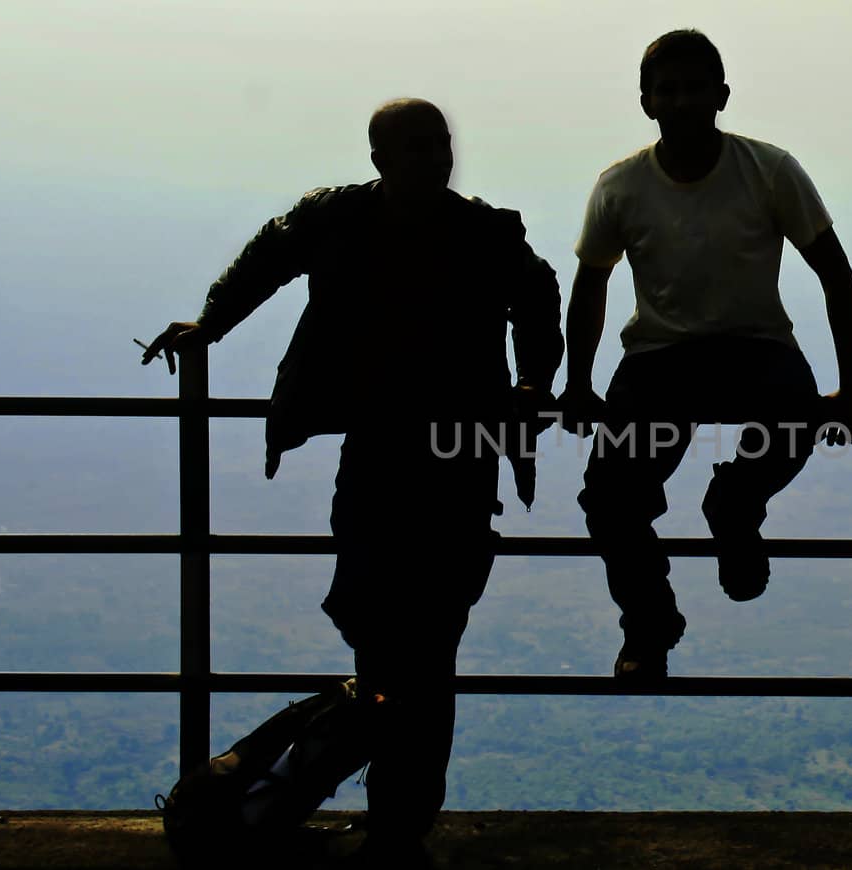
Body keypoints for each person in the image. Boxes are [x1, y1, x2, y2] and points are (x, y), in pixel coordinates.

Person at [140, 98, 562, 863]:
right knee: (384, 637)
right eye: (412, 147)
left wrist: (534, 381)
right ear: (379, 159)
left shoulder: (482, 231)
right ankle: (388, 821)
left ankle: (393, 820)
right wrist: (211, 323)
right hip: (381, 453)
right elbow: (265, 260)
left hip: (455, 460)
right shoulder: (336, 219)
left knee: (427, 647)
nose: (432, 159)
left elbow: (538, 297)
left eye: (438, 144)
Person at [558, 30, 852, 682]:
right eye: (666, 89)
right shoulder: (621, 188)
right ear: (646, 102)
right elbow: (591, 284)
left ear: (722, 94)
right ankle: (649, 628)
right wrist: (579, 383)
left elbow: (835, 274)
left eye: (694, 86)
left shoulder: (769, 170)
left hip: (753, 346)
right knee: (612, 499)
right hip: (660, 356)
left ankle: (735, 504)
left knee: (794, 417)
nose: (681, 101)